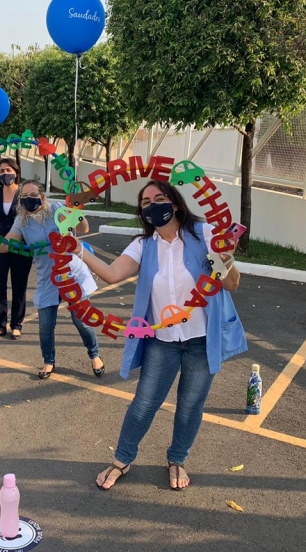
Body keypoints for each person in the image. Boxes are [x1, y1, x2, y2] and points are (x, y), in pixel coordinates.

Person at [76, 180, 247, 491]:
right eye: (145, 202)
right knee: (143, 404)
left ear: (175, 202)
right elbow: (112, 273)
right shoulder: (144, 246)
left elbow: (232, 283)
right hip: (162, 342)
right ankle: (122, 459)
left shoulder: (205, 233)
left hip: (201, 341)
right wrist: (78, 249)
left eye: (159, 198)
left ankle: (177, 459)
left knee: (190, 406)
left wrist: (226, 257)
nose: (152, 205)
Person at [0, 180, 105, 379]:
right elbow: (6, 245)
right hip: (47, 278)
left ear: (42, 197)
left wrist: (76, 209)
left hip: (71, 274)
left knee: (81, 320)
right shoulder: (22, 221)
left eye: (33, 195)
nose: (29, 200)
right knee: (45, 325)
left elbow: (84, 229)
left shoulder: (58, 209)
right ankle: (49, 361)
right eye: (24, 197)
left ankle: (94, 354)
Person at [0, 159, 32, 340]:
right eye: (1, 171)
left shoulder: (24, 194)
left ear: (16, 172)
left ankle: (16, 325)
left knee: (19, 285)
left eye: (8, 170)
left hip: (21, 247)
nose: (5, 174)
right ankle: (0, 325)